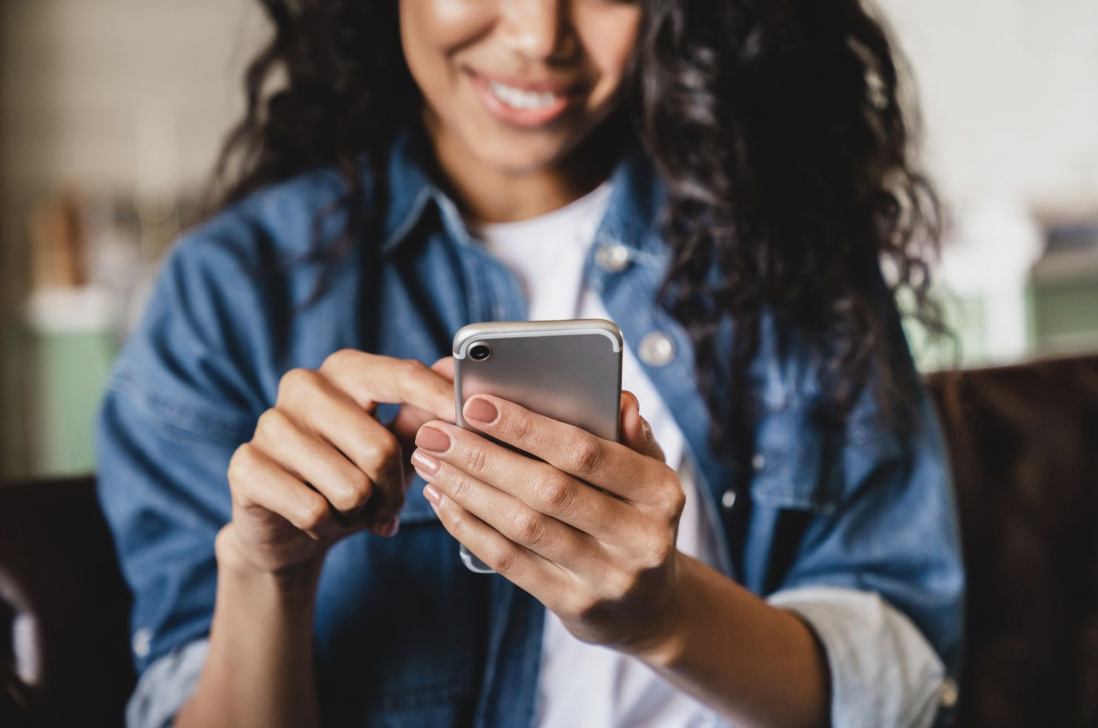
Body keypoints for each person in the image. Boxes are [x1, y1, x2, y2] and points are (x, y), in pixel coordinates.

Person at [96, 1, 964, 727]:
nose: (539, 34)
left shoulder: (789, 245)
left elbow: (902, 682)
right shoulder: (231, 293)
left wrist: (664, 617)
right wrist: (265, 574)